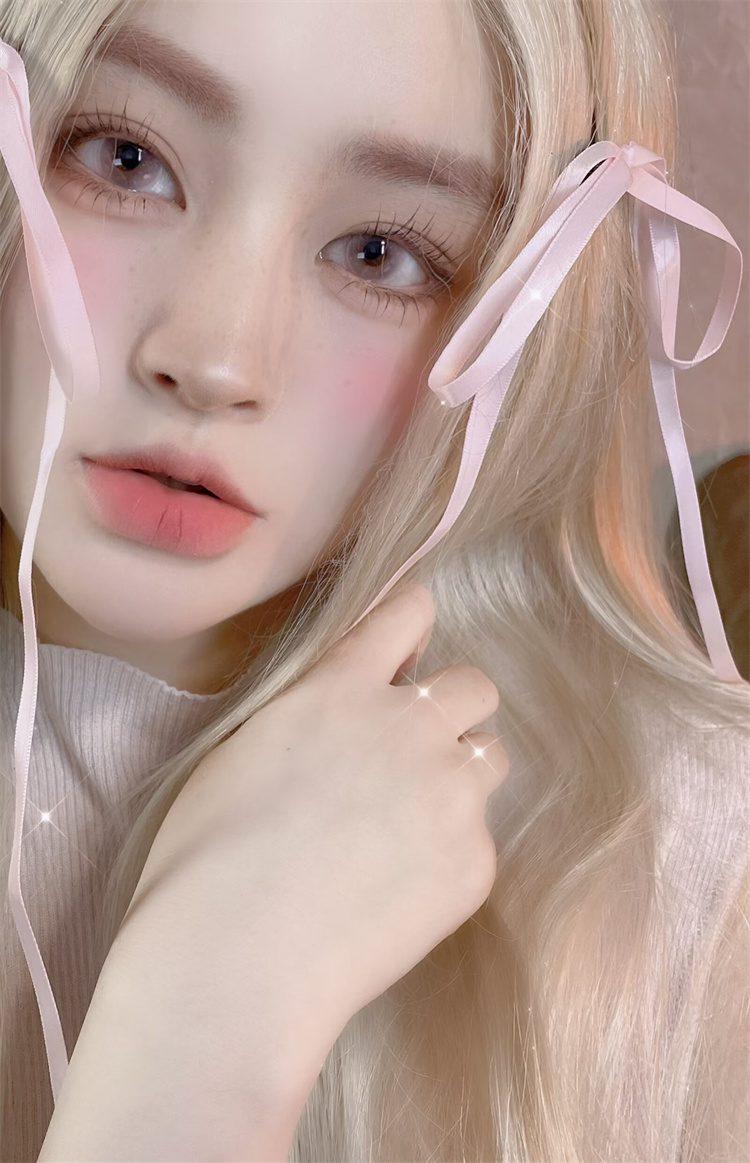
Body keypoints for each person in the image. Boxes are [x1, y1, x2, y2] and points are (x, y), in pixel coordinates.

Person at [0, 0, 747, 1159]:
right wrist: (201, 1045)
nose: (214, 359)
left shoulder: (687, 857)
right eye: (125, 158)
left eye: (380, 254)